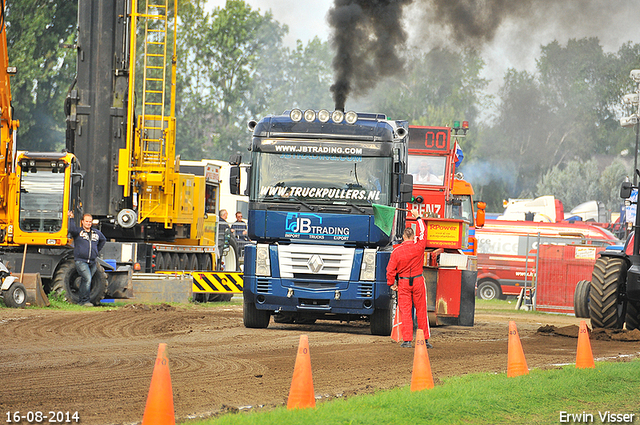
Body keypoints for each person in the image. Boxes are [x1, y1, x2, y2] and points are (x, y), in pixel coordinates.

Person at [386, 210, 432, 348]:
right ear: (413, 236)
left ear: (402, 237)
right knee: (421, 310)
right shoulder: (419, 247)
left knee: (405, 311)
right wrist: (418, 217)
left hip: (404, 283)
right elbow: (424, 232)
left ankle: (407, 340)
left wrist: (391, 283)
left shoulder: (396, 251)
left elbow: (390, 270)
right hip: (418, 281)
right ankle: (425, 340)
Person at [68, 211, 107, 306]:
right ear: (82, 222)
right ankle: (85, 301)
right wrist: (71, 219)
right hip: (81, 261)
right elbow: (71, 229)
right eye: (86, 221)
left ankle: (81, 301)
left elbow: (103, 240)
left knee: (85, 280)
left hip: (92, 261)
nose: (88, 223)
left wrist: (96, 251)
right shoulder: (78, 232)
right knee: (87, 279)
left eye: (90, 222)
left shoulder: (96, 233)